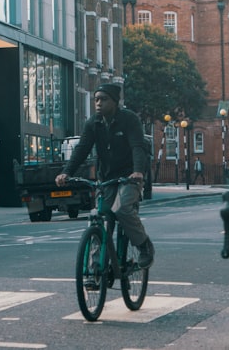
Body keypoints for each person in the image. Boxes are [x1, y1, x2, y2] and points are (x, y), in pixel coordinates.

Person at [55, 84, 155, 270]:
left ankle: (144, 246)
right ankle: (96, 269)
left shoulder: (129, 119)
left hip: (130, 176)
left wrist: (138, 171)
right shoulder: (94, 123)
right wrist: (66, 172)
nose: (99, 103)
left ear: (115, 102)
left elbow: (137, 146)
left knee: (122, 209)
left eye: (104, 99)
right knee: (100, 218)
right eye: (96, 99)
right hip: (107, 177)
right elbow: (82, 149)